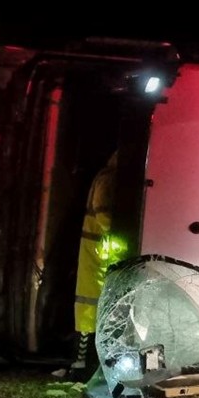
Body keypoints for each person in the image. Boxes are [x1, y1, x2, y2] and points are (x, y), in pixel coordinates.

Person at [71, 150, 120, 372]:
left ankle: (83, 361)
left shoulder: (106, 177)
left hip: (98, 251)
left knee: (91, 305)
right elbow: (104, 216)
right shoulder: (108, 179)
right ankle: (82, 361)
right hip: (99, 251)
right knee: (90, 304)